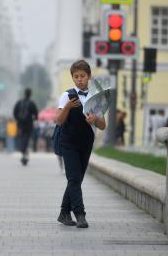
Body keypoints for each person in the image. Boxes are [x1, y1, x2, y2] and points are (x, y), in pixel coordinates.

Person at [55, 59, 106, 228]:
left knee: (76, 180)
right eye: (76, 76)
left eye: (82, 76)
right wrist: (68, 107)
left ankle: (63, 212)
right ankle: (80, 214)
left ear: (89, 76)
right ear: (72, 78)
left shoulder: (95, 96)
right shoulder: (66, 96)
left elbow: (103, 125)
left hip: (86, 143)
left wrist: (95, 118)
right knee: (74, 178)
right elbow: (59, 121)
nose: (79, 79)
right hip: (68, 143)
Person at [13, 88, 38, 165]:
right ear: (30, 94)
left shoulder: (19, 102)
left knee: (21, 138)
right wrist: (35, 119)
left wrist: (18, 119)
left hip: (20, 124)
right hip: (29, 124)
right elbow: (36, 113)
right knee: (26, 139)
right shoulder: (32, 103)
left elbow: (14, 112)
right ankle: (24, 151)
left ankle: (23, 151)